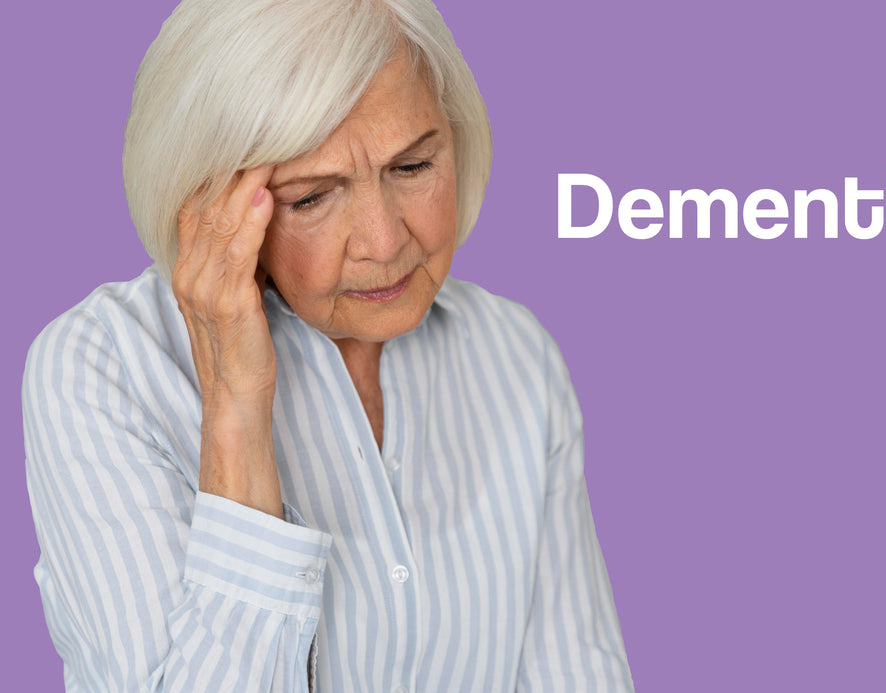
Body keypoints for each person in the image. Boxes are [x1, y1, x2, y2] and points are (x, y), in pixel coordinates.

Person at [23, 0, 633, 690]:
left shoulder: (517, 355)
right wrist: (236, 408)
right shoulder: (101, 372)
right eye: (312, 197)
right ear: (206, 209)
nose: (384, 241)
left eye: (412, 166)